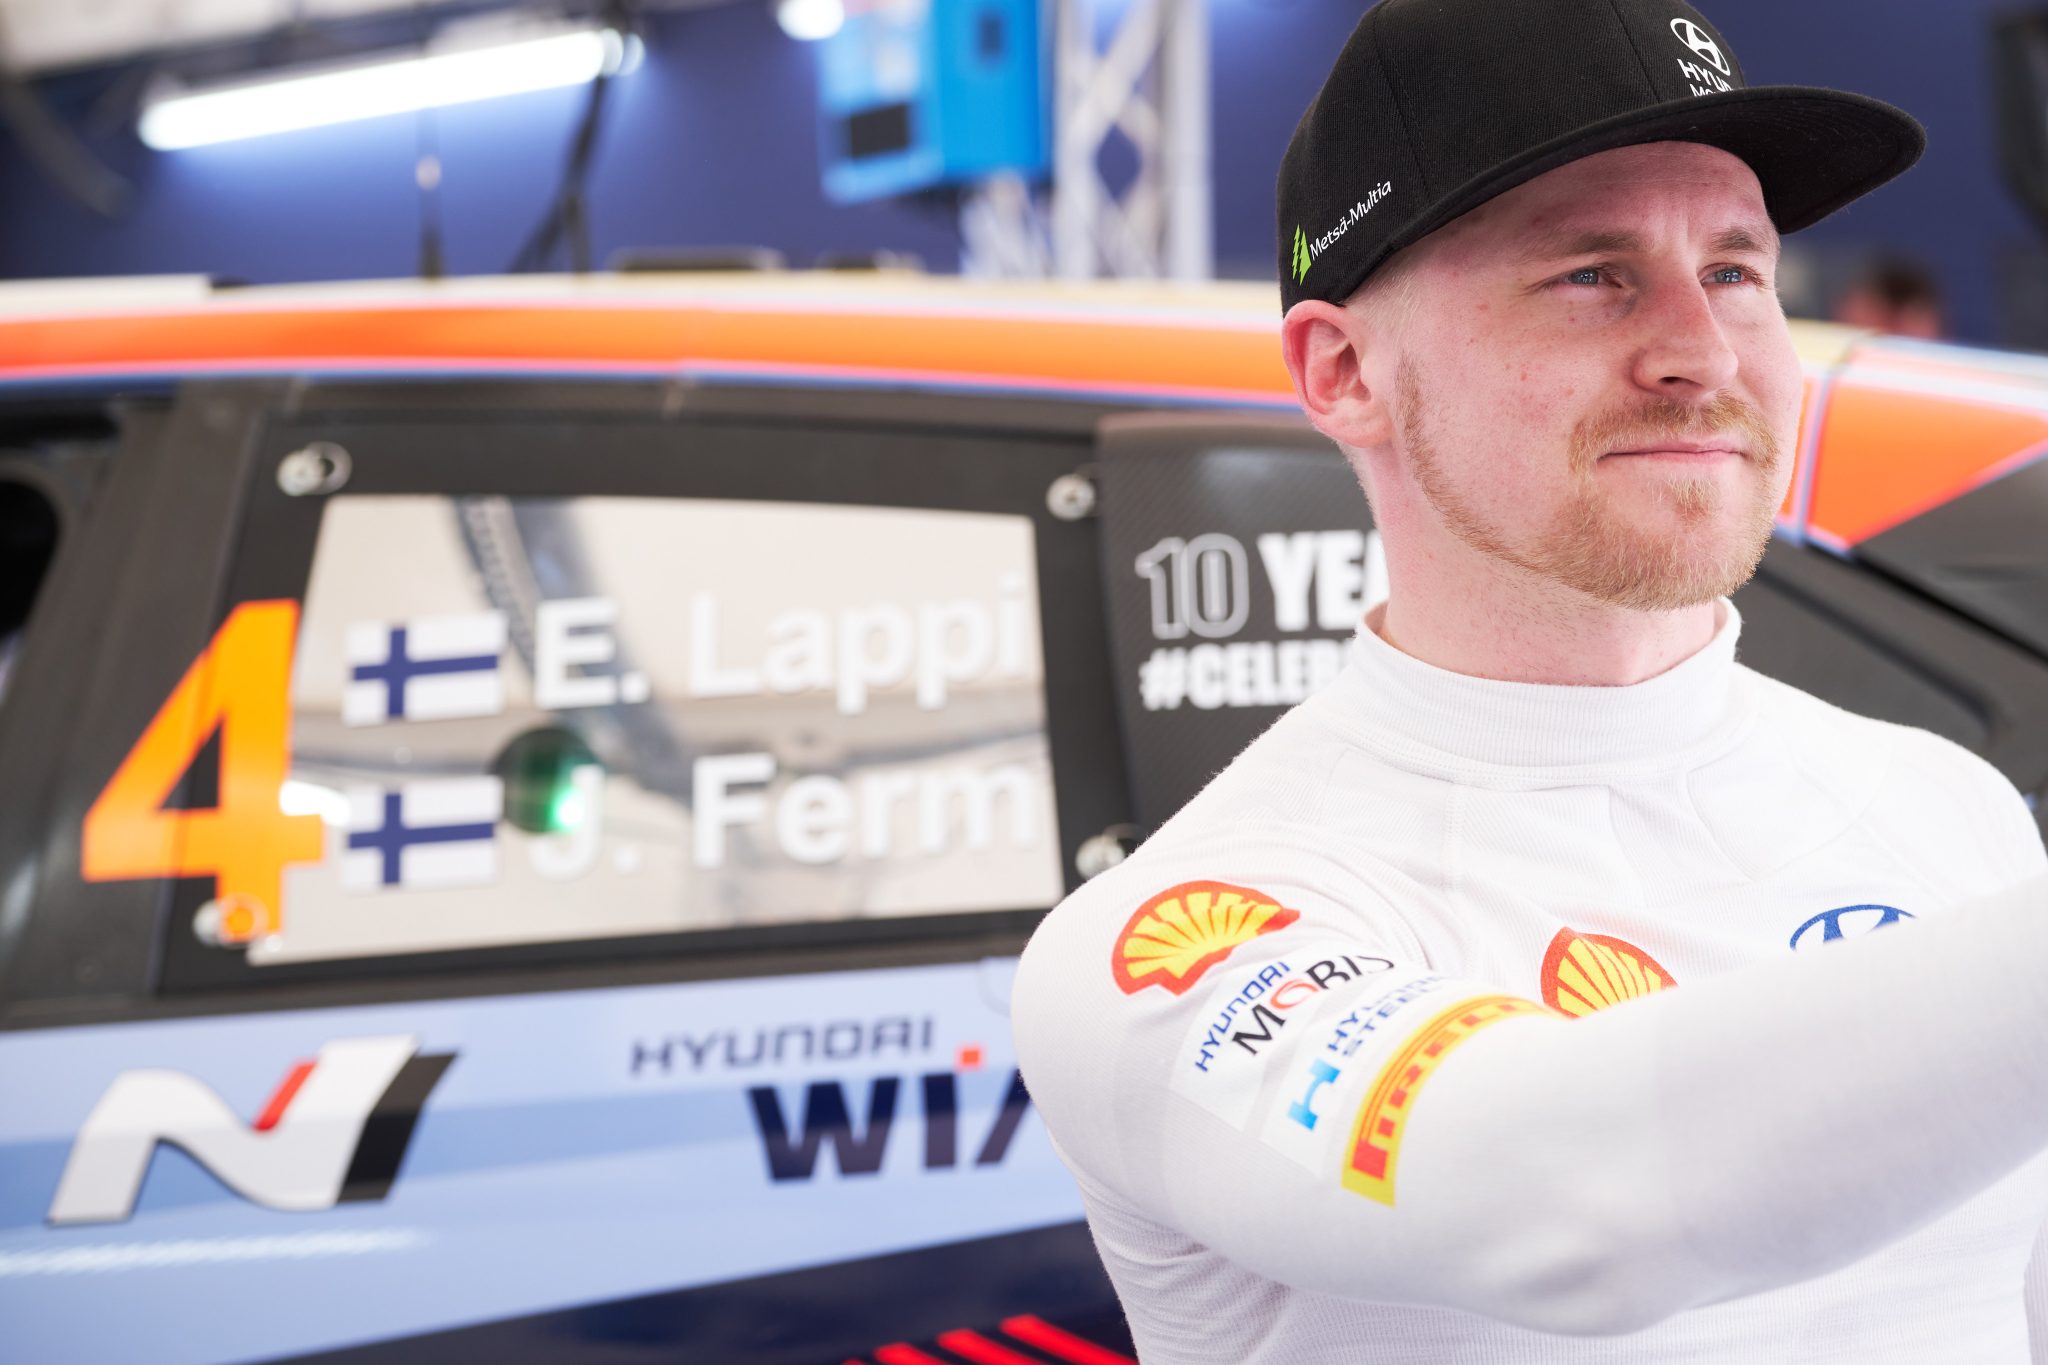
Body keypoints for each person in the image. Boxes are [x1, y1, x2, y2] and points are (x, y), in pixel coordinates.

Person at [1010, 1, 2048, 1361]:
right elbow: (1574, 1200)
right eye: (1593, 273)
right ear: (1344, 370)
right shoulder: (1173, 937)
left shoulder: (1947, 806)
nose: (1702, 351)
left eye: (1735, 269)